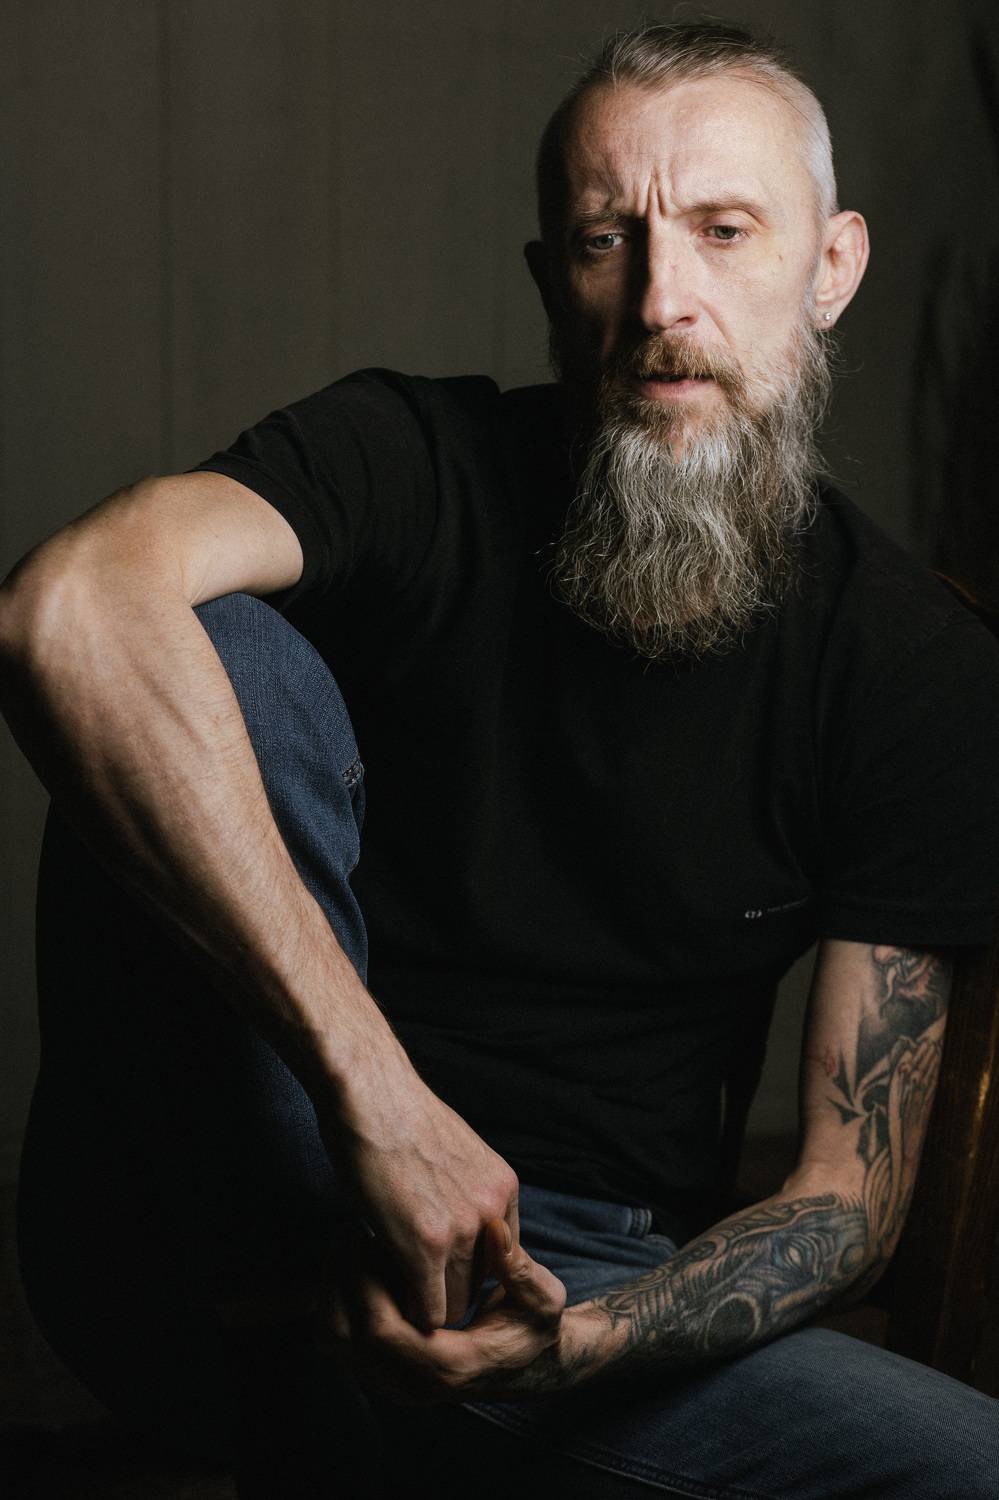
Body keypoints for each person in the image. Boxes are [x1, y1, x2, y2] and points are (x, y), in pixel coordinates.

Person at [3, 18, 999, 1499]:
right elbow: (67, 607)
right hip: (234, 1219)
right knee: (215, 642)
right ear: (551, 280)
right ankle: (312, 1362)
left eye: (725, 231)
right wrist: (380, 1107)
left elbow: (847, 1198)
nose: (663, 299)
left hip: (566, 1280)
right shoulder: (409, 459)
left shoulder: (913, 665)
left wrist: (571, 1348)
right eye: (608, 240)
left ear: (832, 267)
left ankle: (379, 1438)